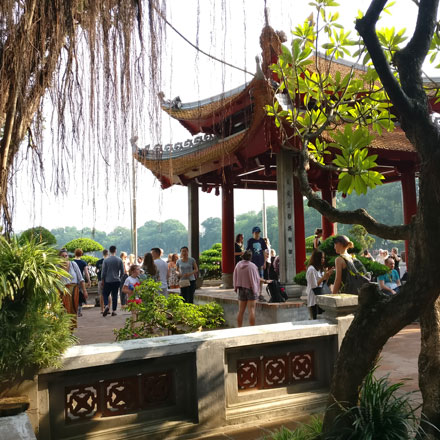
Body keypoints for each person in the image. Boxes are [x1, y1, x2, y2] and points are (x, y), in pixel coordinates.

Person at [58, 248, 88, 328]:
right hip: (62, 291)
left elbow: (81, 278)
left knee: (73, 310)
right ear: (59, 257)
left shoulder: (73, 264)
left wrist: (84, 291)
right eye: (62, 256)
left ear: (68, 256)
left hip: (74, 290)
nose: (64, 257)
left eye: (66, 256)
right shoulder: (57, 267)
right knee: (63, 310)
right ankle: (64, 329)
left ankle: (71, 330)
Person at [233, 250, 262, 327]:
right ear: (250, 257)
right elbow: (256, 278)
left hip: (241, 288)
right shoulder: (252, 266)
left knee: (241, 311)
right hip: (251, 289)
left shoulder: (238, 265)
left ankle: (239, 328)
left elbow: (235, 276)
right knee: (251, 310)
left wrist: (236, 287)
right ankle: (252, 329)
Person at [306, 250, 334, 319]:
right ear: (317, 258)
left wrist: (327, 276)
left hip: (321, 297)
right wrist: (324, 277)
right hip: (314, 298)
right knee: (315, 319)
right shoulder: (311, 269)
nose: (323, 260)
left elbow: (323, 284)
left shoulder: (320, 268)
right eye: (321, 258)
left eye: (323, 258)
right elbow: (314, 286)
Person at [101, 245, 124, 317]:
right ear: (115, 250)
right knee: (115, 295)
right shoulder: (119, 260)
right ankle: (114, 311)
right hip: (116, 280)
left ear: (109, 251)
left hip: (108, 280)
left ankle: (106, 305)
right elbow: (122, 271)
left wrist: (102, 279)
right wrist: (119, 278)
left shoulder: (106, 260)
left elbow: (103, 271)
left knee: (105, 293)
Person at [246, 226, 267, 301]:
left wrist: (265, 262)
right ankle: (255, 292)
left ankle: (260, 293)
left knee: (261, 277)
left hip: (260, 262)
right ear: (253, 233)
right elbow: (248, 251)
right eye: (256, 233)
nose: (257, 234)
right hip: (252, 263)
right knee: (254, 278)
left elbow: (264, 251)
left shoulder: (262, 241)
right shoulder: (250, 241)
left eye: (258, 232)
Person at [73, 248, 91, 317]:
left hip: (73, 281)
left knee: (74, 295)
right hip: (80, 282)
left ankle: (74, 310)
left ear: (75, 253)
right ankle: (79, 311)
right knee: (80, 296)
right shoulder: (83, 262)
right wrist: (89, 281)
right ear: (81, 254)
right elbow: (86, 273)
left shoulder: (72, 262)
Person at [95, 249, 109, 313]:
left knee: (101, 294)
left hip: (100, 279)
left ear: (102, 254)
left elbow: (96, 271)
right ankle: (109, 308)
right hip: (108, 280)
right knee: (109, 295)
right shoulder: (109, 261)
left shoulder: (98, 262)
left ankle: (102, 310)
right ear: (107, 254)